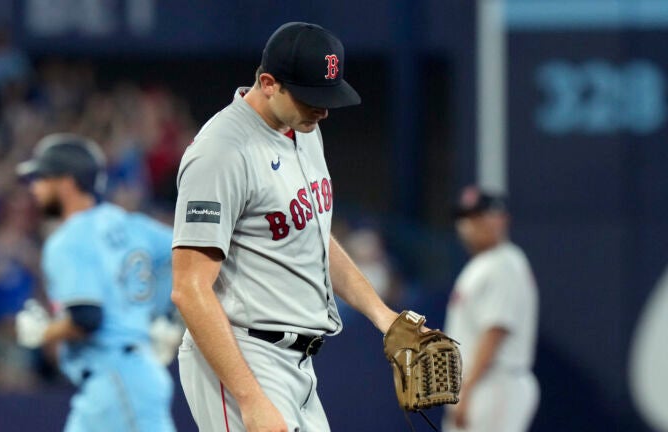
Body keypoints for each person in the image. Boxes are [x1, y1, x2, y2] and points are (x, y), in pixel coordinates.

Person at [171, 22, 433, 432]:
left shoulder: (303, 129)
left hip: (298, 367)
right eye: (312, 97)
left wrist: (384, 317)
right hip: (243, 356)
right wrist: (250, 398)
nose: (324, 110)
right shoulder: (220, 153)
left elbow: (314, 236)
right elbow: (189, 289)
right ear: (268, 83)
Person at [15, 133, 177, 432]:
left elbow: (87, 317)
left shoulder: (67, 240)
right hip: (130, 374)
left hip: (115, 378)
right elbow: (193, 255)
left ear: (65, 182)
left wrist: (44, 332)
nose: (34, 188)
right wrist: (167, 317)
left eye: (41, 178)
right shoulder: (130, 223)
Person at [443, 186, 540, 432]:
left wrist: (468, 389)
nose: (468, 226)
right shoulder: (486, 263)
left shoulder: (503, 264)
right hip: (483, 383)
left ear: (501, 219)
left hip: (494, 381)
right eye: (464, 218)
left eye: (478, 217)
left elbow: (495, 331)